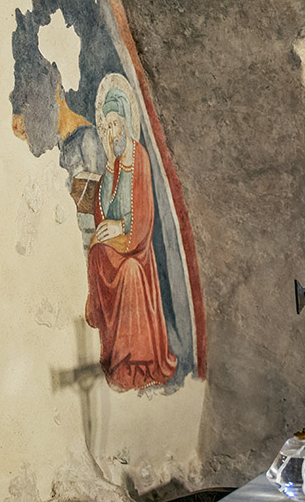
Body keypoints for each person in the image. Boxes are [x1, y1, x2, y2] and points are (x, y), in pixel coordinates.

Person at [85, 85, 177, 391]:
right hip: (117, 247)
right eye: (107, 127)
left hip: (137, 253)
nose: (112, 132)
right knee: (97, 254)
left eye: (116, 124)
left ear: (126, 122)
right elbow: (103, 211)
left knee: (129, 272)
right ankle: (115, 354)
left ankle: (136, 363)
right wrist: (110, 174)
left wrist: (121, 226)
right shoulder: (110, 167)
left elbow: (144, 217)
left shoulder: (140, 159)